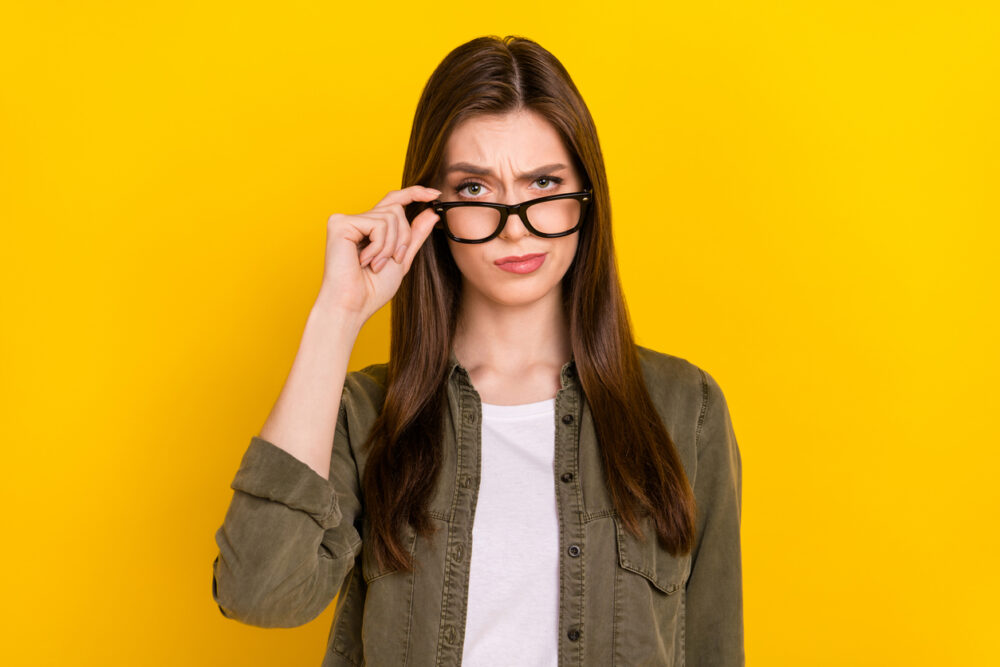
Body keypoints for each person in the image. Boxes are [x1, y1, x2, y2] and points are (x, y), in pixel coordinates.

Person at [212, 35, 743, 666]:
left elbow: (713, 645)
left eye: (544, 181)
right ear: (429, 208)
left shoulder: (687, 409)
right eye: (474, 190)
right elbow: (258, 594)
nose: (515, 223)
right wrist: (338, 314)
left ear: (586, 196)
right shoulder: (365, 415)